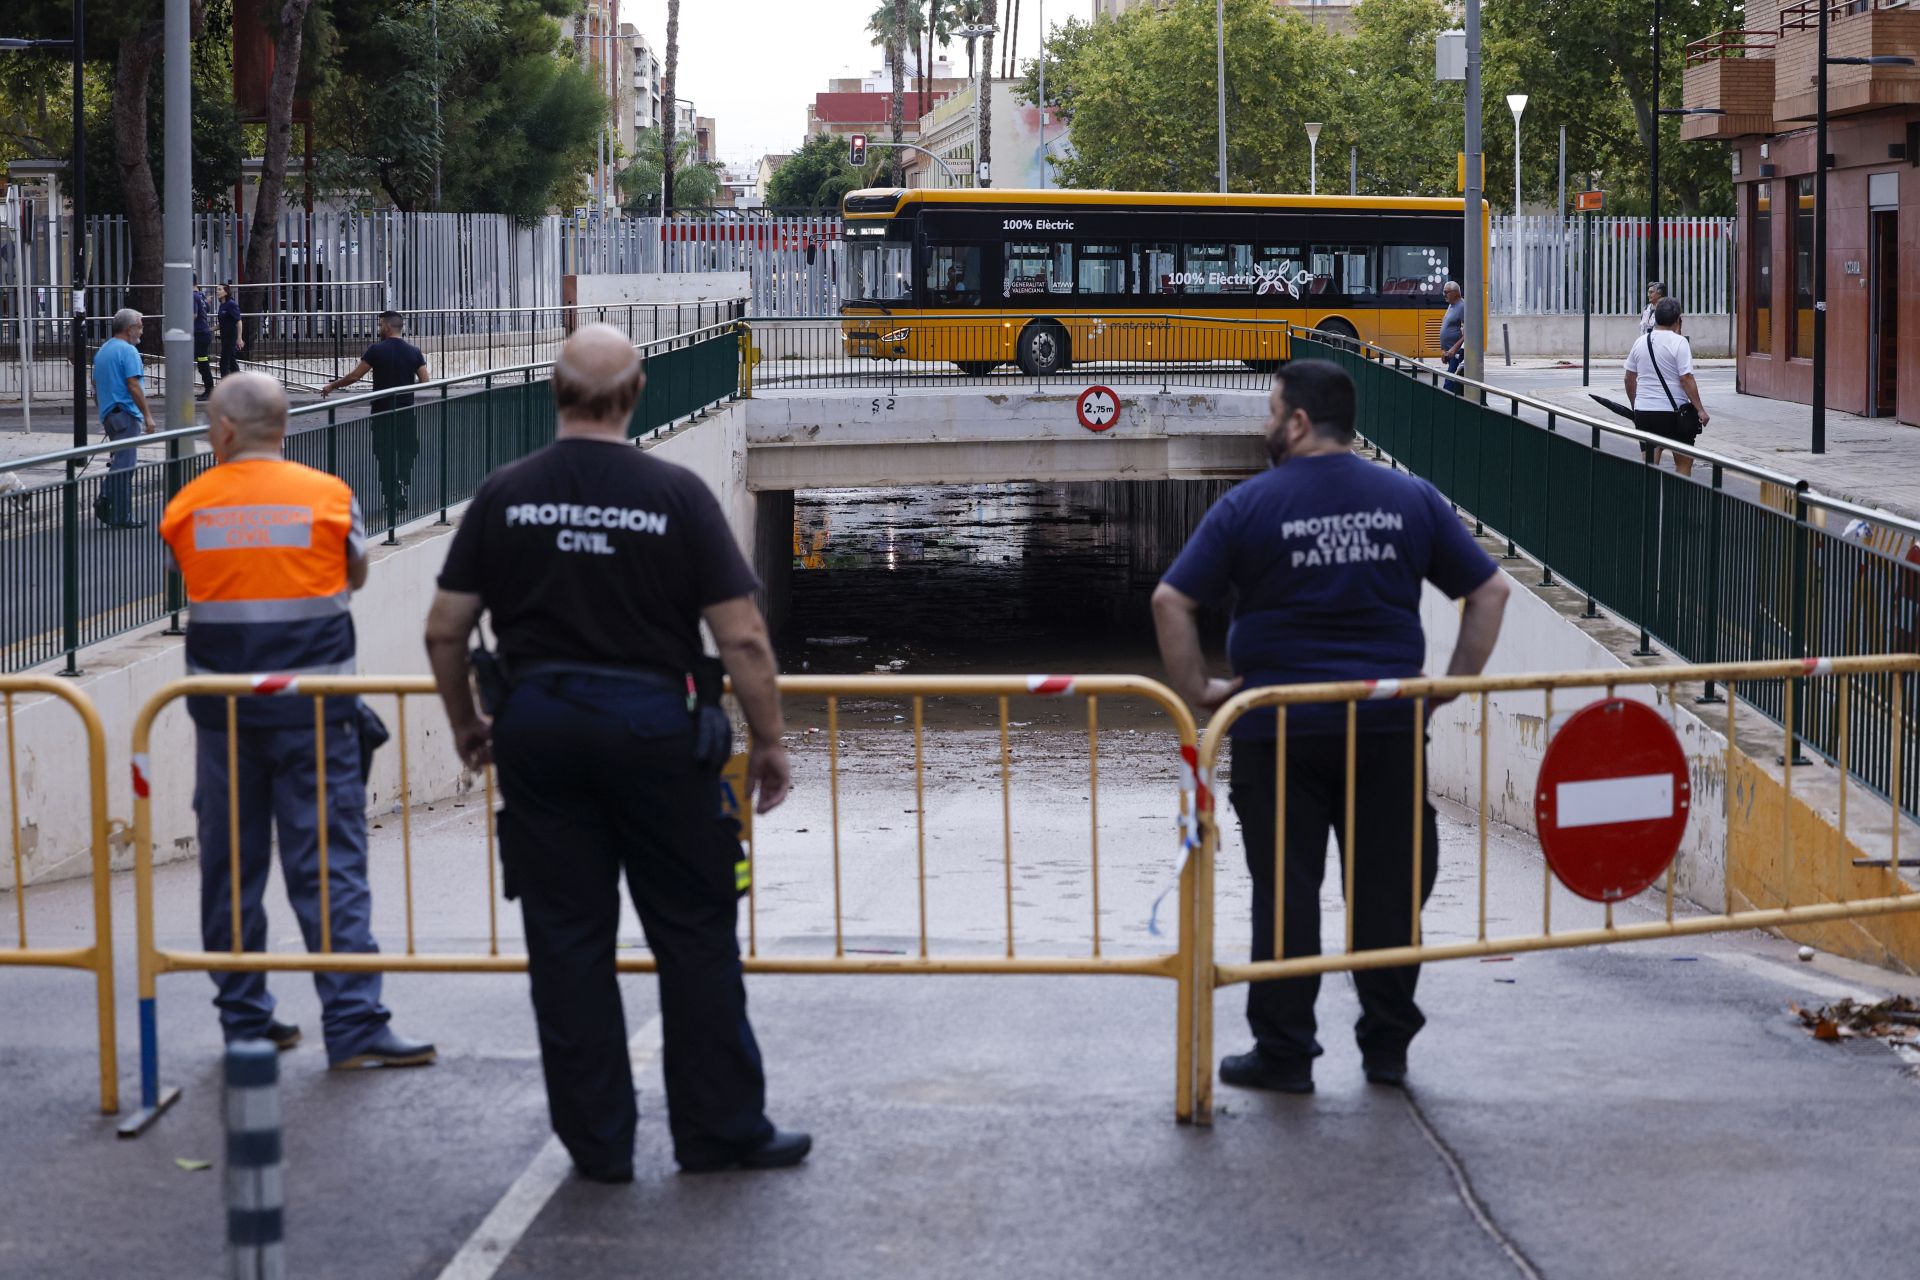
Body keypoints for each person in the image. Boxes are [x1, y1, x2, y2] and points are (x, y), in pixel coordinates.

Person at [424, 324, 809, 1180]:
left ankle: (598, 1148)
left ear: (553, 393)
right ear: (635, 394)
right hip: (656, 737)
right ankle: (718, 1132)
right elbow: (742, 639)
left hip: (539, 733)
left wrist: (467, 727)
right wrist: (771, 742)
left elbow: (445, 630)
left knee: (566, 944)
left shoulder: (504, 494)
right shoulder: (676, 494)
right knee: (695, 934)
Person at [1152, 359, 1510, 1095]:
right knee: (1386, 894)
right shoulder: (1409, 498)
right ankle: (1386, 1051)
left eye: (1271, 411)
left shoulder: (1248, 506)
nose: (1264, 426)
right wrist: (1445, 690)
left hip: (1276, 730)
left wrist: (1203, 693)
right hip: (1384, 730)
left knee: (1285, 891)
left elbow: (1170, 602)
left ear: (1299, 423)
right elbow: (1490, 590)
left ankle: (1285, 1052)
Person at [158, 372, 436, 1072]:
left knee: (231, 871)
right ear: (284, 426)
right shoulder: (329, 497)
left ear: (222, 430)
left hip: (224, 719)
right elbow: (356, 575)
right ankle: (353, 1024)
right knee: (331, 868)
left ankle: (246, 1024)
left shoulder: (187, 507)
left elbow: (201, 573)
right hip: (316, 715)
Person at [321, 311, 430, 527]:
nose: (379, 328)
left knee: (384, 452)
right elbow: (425, 380)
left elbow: (355, 376)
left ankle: (389, 494)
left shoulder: (376, 350)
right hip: (406, 410)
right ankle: (402, 482)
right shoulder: (414, 352)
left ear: (388, 327)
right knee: (407, 449)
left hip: (381, 410)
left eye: (380, 324)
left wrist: (332, 385)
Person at [1622, 296, 1709, 478]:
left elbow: (1629, 378)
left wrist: (1635, 404)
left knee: (1649, 464)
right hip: (1673, 414)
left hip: (1644, 412)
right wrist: (1700, 410)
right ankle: (1677, 502)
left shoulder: (1641, 342)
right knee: (1684, 462)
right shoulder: (1679, 342)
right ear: (1678, 319)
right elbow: (1686, 378)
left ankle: (1649, 502)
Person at [91, 308, 153, 529]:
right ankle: (117, 511)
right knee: (125, 465)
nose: (142, 332)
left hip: (110, 414)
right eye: (140, 326)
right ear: (130, 329)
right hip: (126, 414)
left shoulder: (103, 350)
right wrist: (147, 416)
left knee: (120, 461)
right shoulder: (128, 351)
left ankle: (109, 503)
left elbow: (95, 387)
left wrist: (103, 414)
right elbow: (134, 385)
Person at [1438, 280, 1466, 394]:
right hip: (1450, 354)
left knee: (1449, 386)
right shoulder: (1451, 305)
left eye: (1446, 292)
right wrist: (1444, 351)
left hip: (1457, 354)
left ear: (1455, 293)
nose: (1444, 294)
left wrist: (1454, 349)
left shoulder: (1462, 306)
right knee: (1455, 387)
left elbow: (1468, 333)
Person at [192, 278, 215, 399]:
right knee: (202, 362)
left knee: (202, 362)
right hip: (203, 334)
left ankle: (209, 389)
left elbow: (194, 315)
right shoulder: (200, 295)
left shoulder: (192, 296)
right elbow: (207, 309)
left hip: (199, 334)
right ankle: (209, 389)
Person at [217, 283, 244, 378]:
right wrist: (211, 329)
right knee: (232, 362)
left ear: (226, 292)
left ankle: (225, 387)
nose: (217, 291)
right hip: (224, 336)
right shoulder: (222, 305)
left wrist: (239, 338)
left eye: (220, 289)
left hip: (230, 337)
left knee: (224, 362)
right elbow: (223, 322)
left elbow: (238, 321)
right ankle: (240, 384)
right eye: (217, 289)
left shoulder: (231, 304)